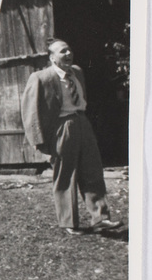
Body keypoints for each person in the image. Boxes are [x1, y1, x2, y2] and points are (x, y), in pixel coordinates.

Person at [20, 37, 122, 235]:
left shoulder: (77, 72)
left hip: (82, 122)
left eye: (69, 50)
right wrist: (39, 142)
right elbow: (30, 111)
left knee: (93, 171)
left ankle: (100, 218)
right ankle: (69, 222)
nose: (68, 54)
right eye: (63, 51)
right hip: (62, 127)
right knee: (65, 175)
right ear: (52, 57)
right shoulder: (41, 78)